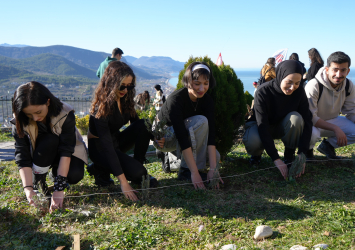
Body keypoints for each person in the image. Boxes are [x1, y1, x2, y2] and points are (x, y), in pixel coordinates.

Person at [87, 61, 159, 201]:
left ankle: (137, 168)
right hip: (100, 148)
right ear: (111, 83)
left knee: (144, 124)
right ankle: (99, 167)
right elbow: (107, 147)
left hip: (116, 141)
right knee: (140, 173)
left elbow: (138, 124)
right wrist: (123, 183)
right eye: (121, 86)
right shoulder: (100, 108)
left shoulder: (125, 98)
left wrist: (155, 138)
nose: (125, 90)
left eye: (129, 86)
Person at [11, 81, 87, 212]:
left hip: (63, 153)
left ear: (48, 101)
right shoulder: (19, 120)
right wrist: (28, 188)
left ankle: (55, 175)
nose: (35, 118)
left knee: (75, 175)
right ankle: (38, 180)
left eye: (38, 112)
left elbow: (66, 150)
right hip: (39, 156)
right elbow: (22, 155)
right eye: (29, 114)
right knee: (49, 140)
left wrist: (59, 189)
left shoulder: (65, 113)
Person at [155, 62, 222, 190]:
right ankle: (185, 171)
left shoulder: (207, 101)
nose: (202, 89)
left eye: (206, 83)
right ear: (187, 81)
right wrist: (194, 173)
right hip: (165, 137)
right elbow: (182, 136)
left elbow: (211, 135)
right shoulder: (176, 99)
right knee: (201, 121)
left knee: (216, 157)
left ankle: (172, 161)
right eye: (197, 84)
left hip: (185, 137)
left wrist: (213, 170)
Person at [242, 60, 313, 179]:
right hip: (261, 126)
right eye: (289, 82)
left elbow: (307, 121)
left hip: (281, 125)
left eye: (297, 83)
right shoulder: (262, 91)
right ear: (280, 76)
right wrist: (275, 158)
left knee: (296, 119)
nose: (292, 87)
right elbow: (262, 126)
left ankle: (289, 155)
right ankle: (256, 155)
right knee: (253, 140)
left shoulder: (299, 91)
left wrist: (302, 153)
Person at [305, 51, 355, 159]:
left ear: (348, 71)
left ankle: (328, 146)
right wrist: (335, 128)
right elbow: (310, 117)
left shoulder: (348, 85)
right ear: (327, 69)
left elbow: (353, 111)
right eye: (335, 70)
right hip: (312, 124)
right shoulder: (314, 85)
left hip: (331, 120)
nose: (338, 75)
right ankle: (307, 152)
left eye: (343, 70)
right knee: (312, 133)